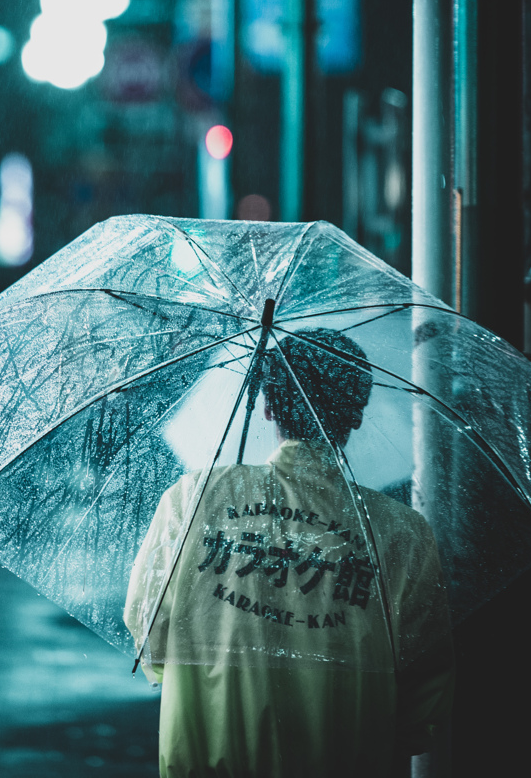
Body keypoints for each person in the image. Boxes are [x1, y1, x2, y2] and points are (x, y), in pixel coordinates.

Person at [125, 327, 454, 778]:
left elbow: (149, 627)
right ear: (356, 414)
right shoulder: (403, 534)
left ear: (268, 406)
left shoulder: (193, 501)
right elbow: (423, 689)